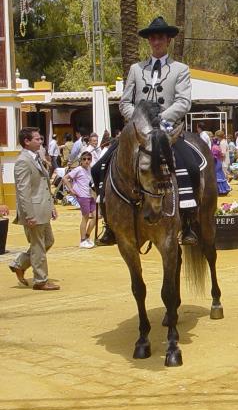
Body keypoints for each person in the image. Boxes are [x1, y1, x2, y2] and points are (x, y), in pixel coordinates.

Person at [94, 16, 199, 246]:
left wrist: (160, 119)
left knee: (190, 166)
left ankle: (190, 223)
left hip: (167, 131)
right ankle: (109, 224)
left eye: (161, 37)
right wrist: (140, 121)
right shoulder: (135, 69)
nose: (156, 41)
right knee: (98, 167)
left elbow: (183, 102)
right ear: (148, 41)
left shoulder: (180, 69)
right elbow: (125, 102)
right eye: (153, 37)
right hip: (136, 132)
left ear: (168, 40)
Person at [8, 128, 60, 290]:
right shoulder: (23, 161)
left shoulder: (36, 157)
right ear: (27, 141)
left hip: (42, 207)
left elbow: (44, 184)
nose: (40, 141)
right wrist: (28, 214)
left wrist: (51, 206)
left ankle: (19, 263)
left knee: (48, 241)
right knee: (38, 245)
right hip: (33, 210)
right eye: (37, 139)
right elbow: (23, 191)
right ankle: (40, 280)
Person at [63, 151, 96, 248]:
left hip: (91, 195)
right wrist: (71, 190)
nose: (86, 161)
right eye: (84, 159)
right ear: (81, 160)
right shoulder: (78, 169)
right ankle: (82, 240)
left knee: (96, 216)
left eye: (89, 159)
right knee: (85, 217)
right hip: (83, 196)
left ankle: (87, 236)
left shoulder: (90, 169)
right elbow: (65, 178)